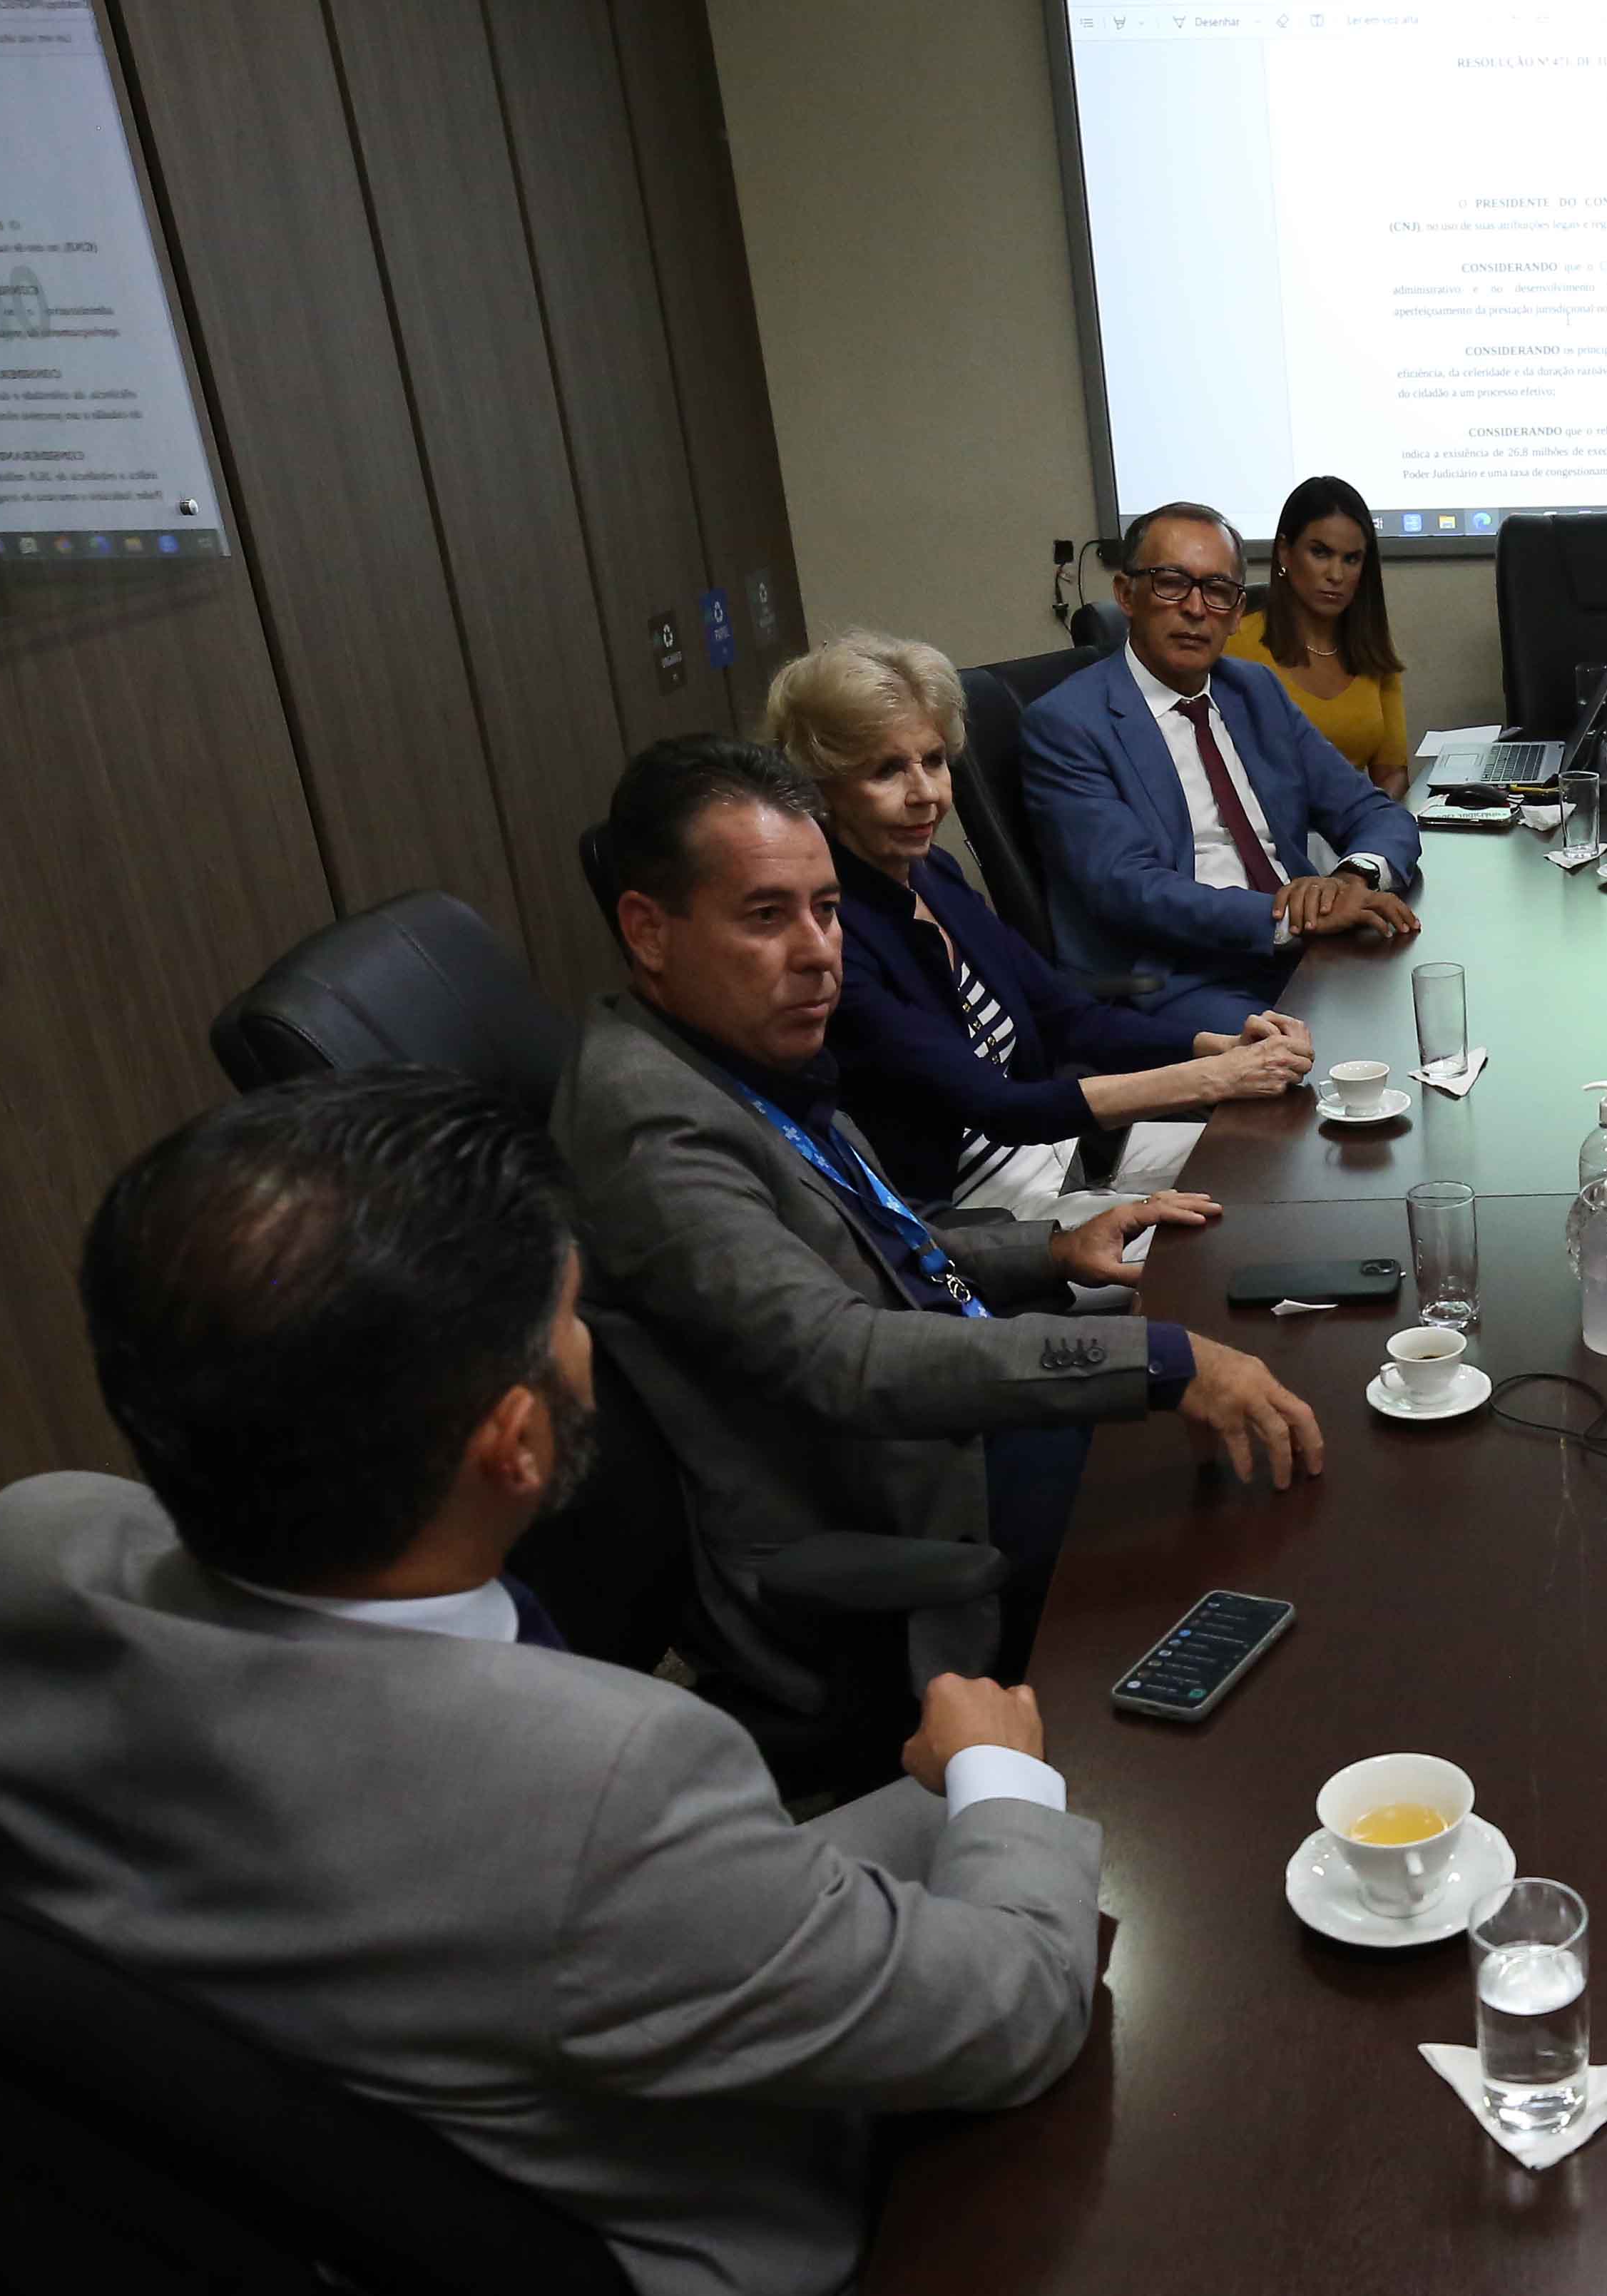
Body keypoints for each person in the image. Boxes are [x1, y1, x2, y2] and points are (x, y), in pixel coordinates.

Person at [0, 1068, 1104, 2296]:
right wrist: (995, 1775)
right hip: (770, 2239)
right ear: (518, 1443)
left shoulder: (30, 1553)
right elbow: (1014, 2014)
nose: (588, 1342)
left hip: (442, 2033)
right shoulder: (608, 1780)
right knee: (1063, 1870)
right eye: (569, 1315)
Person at [556, 737, 1321, 1707]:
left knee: (1275, 1412)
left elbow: (867, 1236)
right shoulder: (650, 1121)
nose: (818, 952)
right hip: (900, 1508)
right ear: (649, 931)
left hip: (949, 1431)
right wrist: (1159, 1361)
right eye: (765, 917)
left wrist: (1052, 1247)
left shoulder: (727, 1046)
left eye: (826, 909)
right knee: (1263, 1515)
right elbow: (843, 1356)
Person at [762, 628, 1313, 1215]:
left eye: (934, 761)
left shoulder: (931, 873)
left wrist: (1215, 1046)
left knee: (1289, 1162)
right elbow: (999, 1107)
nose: (926, 793)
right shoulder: (830, 936)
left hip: (1063, 1154)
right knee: (1233, 1236)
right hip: (977, 1210)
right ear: (822, 787)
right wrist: (1214, 1078)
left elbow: (1066, 1017)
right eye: (886, 771)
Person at [1024, 501, 1428, 1036]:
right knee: (1311, 1058)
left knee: (1432, 1000)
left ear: (1237, 613)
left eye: (1217, 590)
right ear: (1126, 595)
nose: (1196, 609)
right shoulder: (1068, 723)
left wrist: (1351, 880)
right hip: (1175, 981)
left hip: (1302, 950)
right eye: (1172, 584)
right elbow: (1129, 889)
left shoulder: (1253, 691)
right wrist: (1290, 917)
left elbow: (1373, 811)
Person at [1224, 474, 1413, 796]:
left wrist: (1373, 820)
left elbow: (1392, 774)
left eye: (1351, 559)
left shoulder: (1372, 648)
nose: (1336, 575)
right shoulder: (1234, 642)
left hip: (1356, 821)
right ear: (1285, 552)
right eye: (1321, 553)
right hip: (1267, 821)